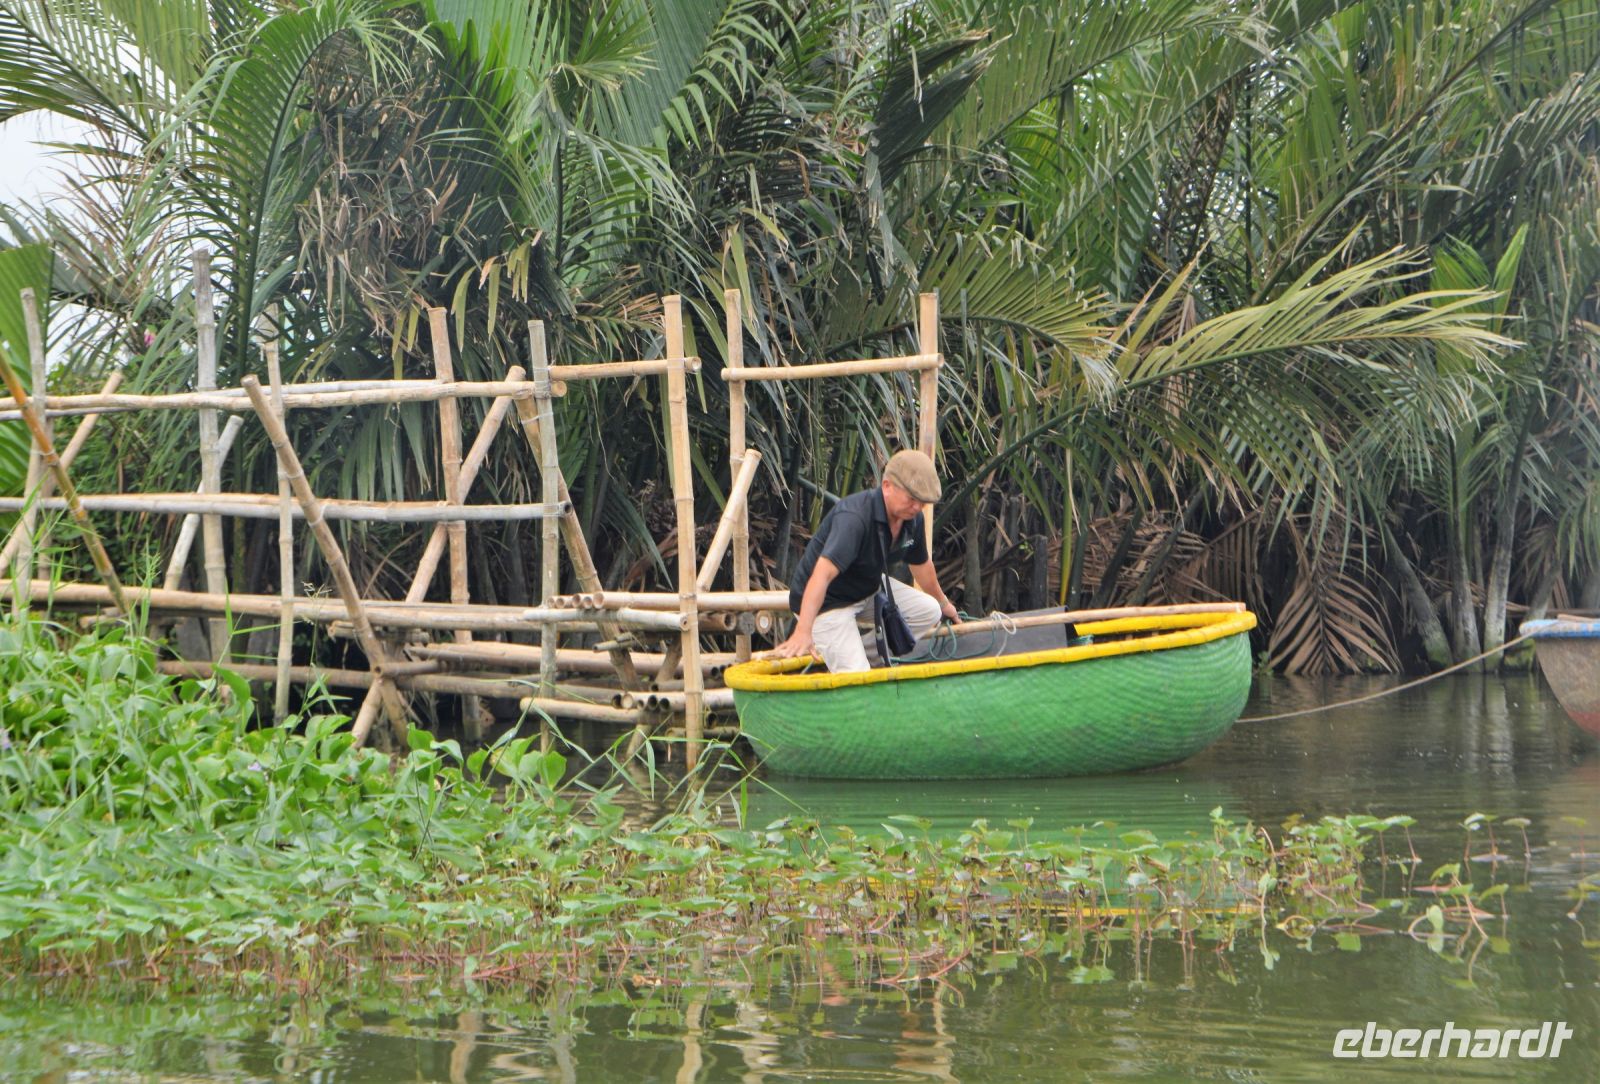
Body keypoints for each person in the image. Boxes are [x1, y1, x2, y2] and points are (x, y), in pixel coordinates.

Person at [773, 449, 959, 672]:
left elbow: (921, 566)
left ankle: (857, 655)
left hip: (867, 589)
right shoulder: (854, 517)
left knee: (929, 610)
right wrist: (803, 630)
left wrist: (943, 603)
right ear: (887, 486)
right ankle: (847, 661)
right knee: (856, 675)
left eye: (922, 502)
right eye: (911, 499)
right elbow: (821, 575)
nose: (917, 508)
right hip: (826, 603)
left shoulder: (913, 519)